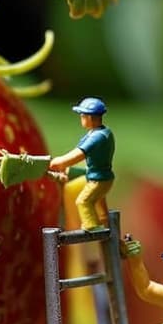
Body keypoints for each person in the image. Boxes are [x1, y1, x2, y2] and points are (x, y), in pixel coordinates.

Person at [48, 97, 114, 232]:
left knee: (83, 202)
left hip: (98, 179)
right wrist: (69, 170)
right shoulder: (102, 132)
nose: (81, 119)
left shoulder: (97, 137)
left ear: (90, 117)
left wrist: (59, 162)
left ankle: (91, 227)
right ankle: (103, 221)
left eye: (82, 116)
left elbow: (78, 154)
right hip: (100, 175)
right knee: (100, 205)